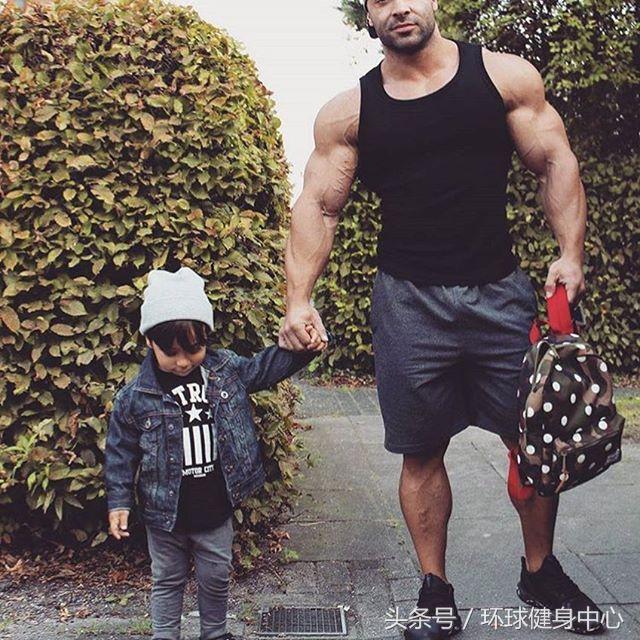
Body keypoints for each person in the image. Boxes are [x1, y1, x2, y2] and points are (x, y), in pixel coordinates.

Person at [278, 0, 602, 637]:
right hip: (408, 305)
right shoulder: (349, 113)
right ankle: (435, 590)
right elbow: (318, 204)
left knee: (533, 440)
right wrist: (298, 299)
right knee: (421, 451)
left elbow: (555, 161)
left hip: (499, 295)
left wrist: (570, 253)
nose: (399, 6)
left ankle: (540, 572)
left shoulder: (504, 78)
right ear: (367, 14)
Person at [105, 267, 325, 640]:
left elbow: (264, 368)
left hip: (215, 506)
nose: (183, 361)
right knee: (167, 578)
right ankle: (164, 634)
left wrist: (303, 349)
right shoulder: (135, 397)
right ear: (149, 342)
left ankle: (215, 632)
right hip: (164, 513)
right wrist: (119, 501)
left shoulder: (224, 370)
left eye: (193, 349)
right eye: (170, 352)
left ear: (205, 337)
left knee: (216, 575)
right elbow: (120, 452)